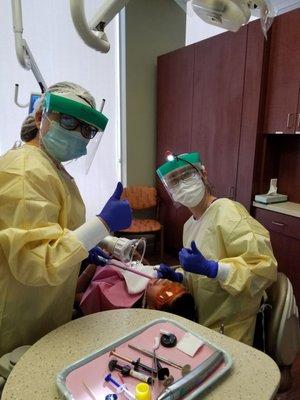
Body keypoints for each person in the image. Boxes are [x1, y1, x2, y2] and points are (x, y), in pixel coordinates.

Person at [0, 82, 132, 356]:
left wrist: (87, 248)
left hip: (43, 303)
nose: (78, 134)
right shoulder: (25, 171)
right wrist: (103, 224)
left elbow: (56, 231)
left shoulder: (50, 168)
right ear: (40, 118)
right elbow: (38, 262)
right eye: (69, 121)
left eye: (87, 129)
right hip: (20, 312)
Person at [155, 151, 277, 345]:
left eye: (186, 175)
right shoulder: (189, 226)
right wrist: (180, 277)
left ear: (203, 174)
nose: (182, 185)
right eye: (174, 181)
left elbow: (263, 269)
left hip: (233, 325)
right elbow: (201, 280)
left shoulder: (227, 211)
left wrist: (213, 269)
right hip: (205, 321)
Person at [75, 260, 196, 322]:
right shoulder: (150, 281)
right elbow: (138, 262)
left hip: (78, 273)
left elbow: (74, 296)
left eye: (167, 293)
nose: (166, 283)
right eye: (175, 285)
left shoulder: (116, 307)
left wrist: (93, 265)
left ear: (153, 310)